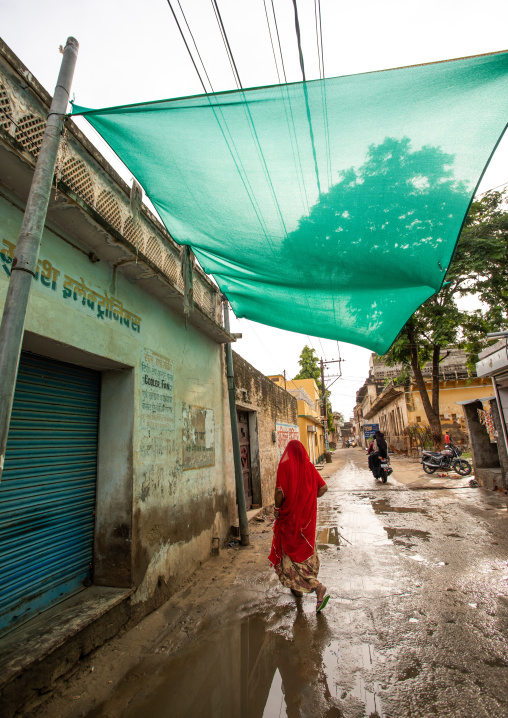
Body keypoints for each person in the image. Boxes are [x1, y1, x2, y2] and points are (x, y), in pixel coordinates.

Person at [268, 440, 330, 612]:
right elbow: (323, 487)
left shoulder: (285, 466)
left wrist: (277, 508)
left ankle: (317, 587)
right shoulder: (309, 467)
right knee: (304, 550)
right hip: (306, 520)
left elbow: (279, 491)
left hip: (289, 518)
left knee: (290, 554)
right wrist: (308, 499)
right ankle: (297, 589)